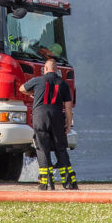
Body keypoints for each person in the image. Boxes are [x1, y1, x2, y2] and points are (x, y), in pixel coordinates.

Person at [19, 58, 76, 190]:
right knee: (60, 149)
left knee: (42, 149)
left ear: (45, 69)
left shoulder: (38, 80)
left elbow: (22, 88)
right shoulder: (63, 84)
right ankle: (68, 182)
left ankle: (45, 183)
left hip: (40, 117)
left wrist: (34, 93)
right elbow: (68, 107)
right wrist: (68, 123)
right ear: (57, 70)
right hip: (57, 117)